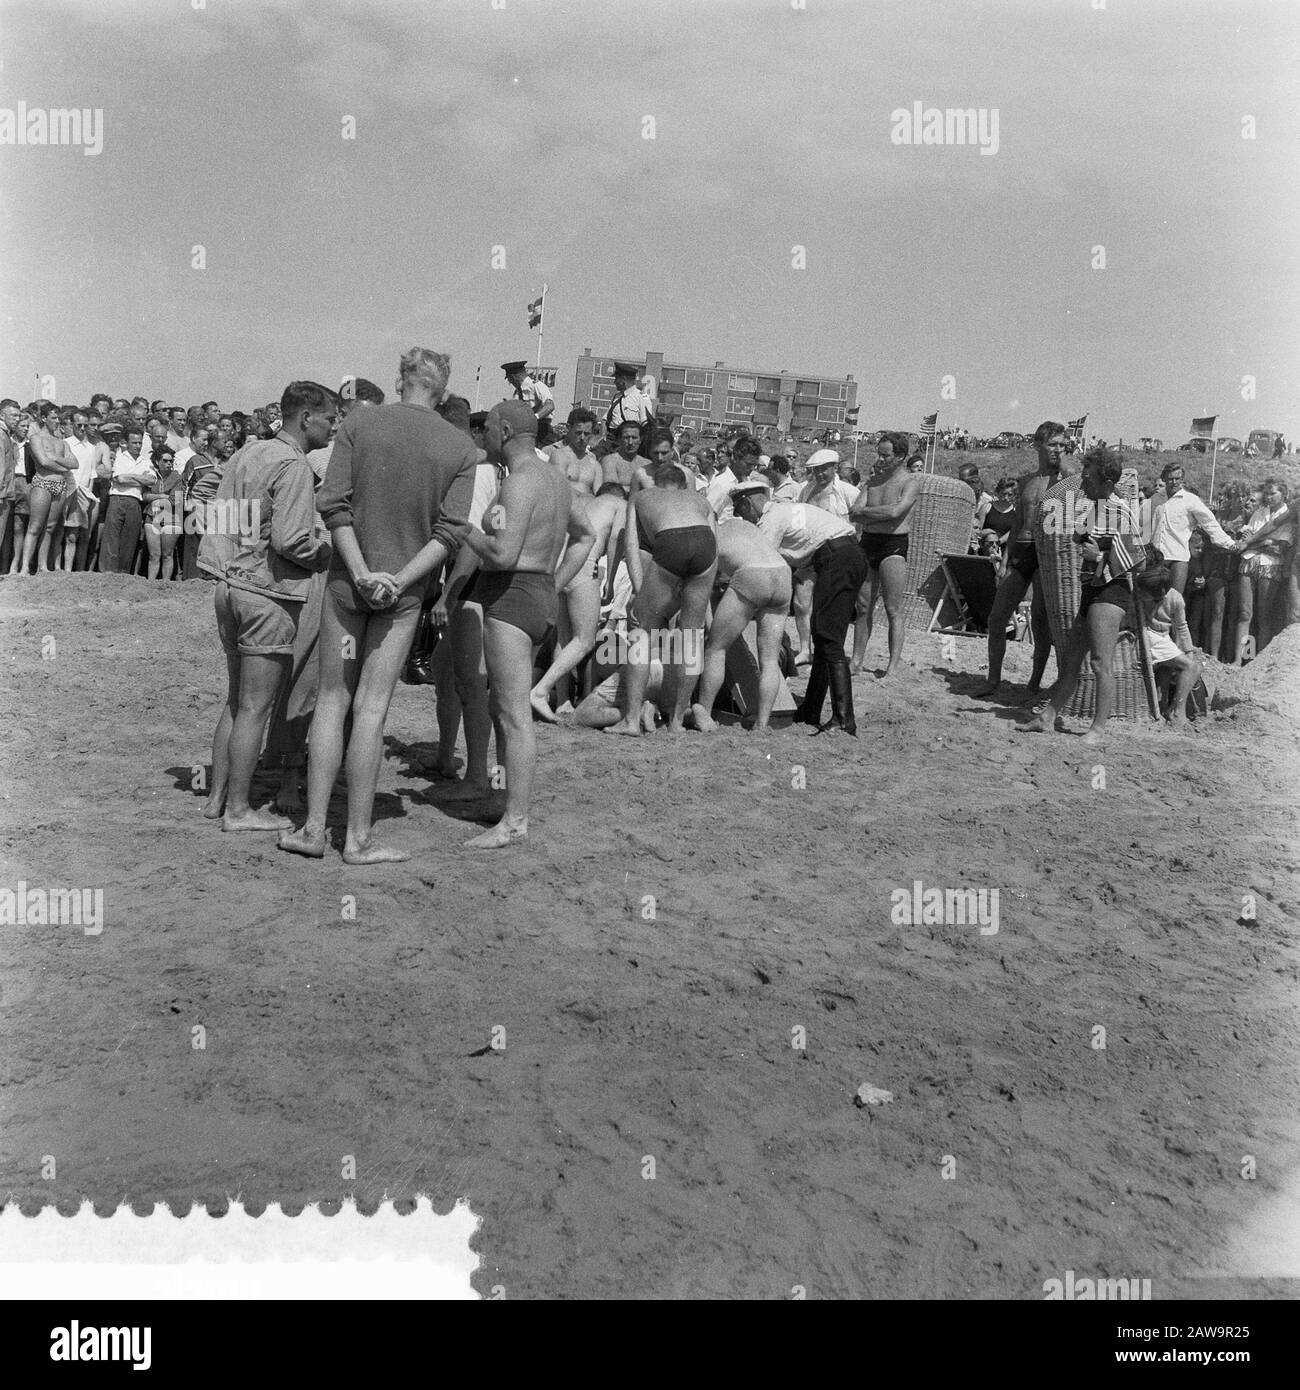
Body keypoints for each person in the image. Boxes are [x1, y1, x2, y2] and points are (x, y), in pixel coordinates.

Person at [279, 348, 477, 863]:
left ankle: (313, 829)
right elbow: (451, 534)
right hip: (402, 595)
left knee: (330, 701)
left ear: (401, 380)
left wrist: (363, 572)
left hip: (348, 582)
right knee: (371, 710)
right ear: (443, 389)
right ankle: (359, 839)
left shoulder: (359, 425)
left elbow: (333, 505)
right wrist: (398, 579)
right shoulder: (459, 447)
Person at [454, 399, 595, 846]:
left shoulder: (520, 483)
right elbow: (586, 536)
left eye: (490, 427)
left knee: (514, 714)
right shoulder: (555, 479)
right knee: (506, 707)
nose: (485, 435)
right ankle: (505, 801)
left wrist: (462, 528)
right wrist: (554, 582)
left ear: (507, 430)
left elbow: (501, 554)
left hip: (513, 593)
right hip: (535, 594)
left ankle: (515, 820)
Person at [198, 381, 337, 832]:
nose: (333, 427)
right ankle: (239, 811)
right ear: (306, 418)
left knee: (237, 702)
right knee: (256, 707)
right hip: (267, 594)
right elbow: (291, 540)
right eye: (329, 418)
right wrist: (329, 552)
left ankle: (218, 799)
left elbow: (214, 511)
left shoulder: (246, 453)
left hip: (229, 585)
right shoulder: (293, 466)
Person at [1019, 446, 1142, 745]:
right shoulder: (1095, 508)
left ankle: (1098, 729)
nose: (1084, 483)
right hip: (1092, 588)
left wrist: (1099, 556)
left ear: (1108, 484)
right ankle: (1048, 718)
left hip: (1110, 590)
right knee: (1072, 661)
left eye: (1089, 479)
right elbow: (1078, 538)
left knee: (1101, 661)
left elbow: (1138, 558)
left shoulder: (1120, 510)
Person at [736, 487, 865, 734]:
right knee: (823, 635)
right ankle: (812, 709)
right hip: (843, 555)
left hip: (837, 559)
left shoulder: (770, 520)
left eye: (743, 514)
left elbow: (761, 563)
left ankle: (844, 717)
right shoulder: (785, 511)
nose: (746, 521)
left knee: (829, 638)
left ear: (747, 505)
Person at [608, 463, 717, 736]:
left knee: (641, 631)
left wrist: (638, 591)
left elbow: (631, 545)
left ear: (657, 482)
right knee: (691, 635)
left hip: (671, 541)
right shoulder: (700, 500)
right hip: (705, 546)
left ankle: (631, 720)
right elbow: (715, 543)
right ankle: (677, 720)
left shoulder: (641, 498)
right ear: (683, 485)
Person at [973, 421, 1069, 698]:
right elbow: (1016, 524)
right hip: (1021, 551)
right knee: (997, 617)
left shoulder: (1065, 480)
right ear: (1038, 445)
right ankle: (993, 679)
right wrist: (1004, 561)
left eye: (1063, 445)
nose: (1058, 450)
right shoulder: (1026, 481)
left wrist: (1063, 465)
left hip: (1048, 551)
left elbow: (1077, 488)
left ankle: (1033, 682)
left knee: (1040, 621)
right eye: (1053, 444)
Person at [690, 503, 792, 733]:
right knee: (769, 659)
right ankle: (762, 723)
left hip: (753, 575)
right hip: (782, 574)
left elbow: (703, 590)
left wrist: (709, 629)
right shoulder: (742, 525)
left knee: (716, 649)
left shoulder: (709, 537)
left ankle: (704, 713)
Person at [530, 483, 626, 720]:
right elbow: (616, 540)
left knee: (563, 638)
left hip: (561, 564)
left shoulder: (584, 501)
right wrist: (611, 581)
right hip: (584, 564)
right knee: (584, 640)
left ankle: (562, 702)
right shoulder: (620, 505)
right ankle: (540, 691)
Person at [850, 431, 920, 677]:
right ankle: (856, 661)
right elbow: (854, 512)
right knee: (862, 606)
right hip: (869, 541)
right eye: (879, 454)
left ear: (900, 456)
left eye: (885, 455)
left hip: (894, 545)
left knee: (892, 608)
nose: (880, 460)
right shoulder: (873, 482)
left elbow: (896, 512)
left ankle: (892, 666)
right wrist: (877, 512)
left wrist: (868, 512)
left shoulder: (910, 481)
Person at [1232, 478, 1293, 663]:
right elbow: (1246, 539)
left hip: (1270, 565)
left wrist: (1255, 542)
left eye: (1273, 493)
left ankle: (1256, 662)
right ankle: (1242, 658)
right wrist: (1265, 541)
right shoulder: (1259, 512)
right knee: (1245, 614)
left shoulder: (1288, 515)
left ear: (1283, 494)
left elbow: (1280, 548)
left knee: (1263, 616)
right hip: (1249, 562)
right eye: (1266, 493)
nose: (1268, 496)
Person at [1133, 564, 1200, 730]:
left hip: (1163, 638)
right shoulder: (1139, 594)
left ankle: (1169, 708)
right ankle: (1177, 712)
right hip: (1147, 635)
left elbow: (1181, 626)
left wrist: (1188, 650)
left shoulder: (1174, 598)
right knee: (1191, 667)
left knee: (1190, 667)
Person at [1151, 462, 1234, 594]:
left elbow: (1209, 523)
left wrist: (1230, 544)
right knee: (1153, 602)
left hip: (1178, 559)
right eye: (1170, 478)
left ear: (1182, 480)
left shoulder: (1191, 500)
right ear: (1164, 478)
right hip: (1156, 559)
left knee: (1175, 602)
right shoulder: (1155, 499)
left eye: (1177, 479)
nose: (1173, 482)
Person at [21, 402, 76, 573]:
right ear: (43, 418)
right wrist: (62, 466)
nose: (57, 422)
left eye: (59, 418)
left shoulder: (62, 442)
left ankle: (42, 566)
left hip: (60, 485)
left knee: (50, 527)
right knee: (35, 526)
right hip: (43, 483)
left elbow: (75, 463)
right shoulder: (36, 438)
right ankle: (24, 568)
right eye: (53, 418)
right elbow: (42, 461)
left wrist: (56, 459)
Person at [98, 424, 156, 573]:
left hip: (135, 501)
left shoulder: (145, 461)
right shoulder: (120, 457)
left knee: (129, 539)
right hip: (117, 498)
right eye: (134, 443)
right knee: (112, 537)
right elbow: (120, 479)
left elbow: (151, 480)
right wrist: (140, 478)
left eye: (139, 443)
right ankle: (107, 571)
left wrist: (132, 476)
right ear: (126, 442)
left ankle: (123, 573)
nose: (137, 446)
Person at [141, 445, 184, 579]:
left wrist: (155, 498)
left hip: (171, 518)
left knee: (167, 554)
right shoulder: (151, 476)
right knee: (154, 555)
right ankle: (151, 584)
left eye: (170, 461)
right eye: (165, 461)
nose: (168, 464)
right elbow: (144, 496)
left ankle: (165, 584)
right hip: (152, 517)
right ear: (157, 461)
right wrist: (161, 496)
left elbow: (174, 500)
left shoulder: (177, 477)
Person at [548, 407, 603, 495]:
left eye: (586, 434)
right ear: (570, 430)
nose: (582, 438)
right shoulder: (559, 456)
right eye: (578, 433)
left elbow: (599, 494)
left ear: (592, 433)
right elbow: (559, 488)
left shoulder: (595, 464)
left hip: (588, 506)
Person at [604, 360, 654, 454]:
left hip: (629, 442)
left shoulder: (642, 397)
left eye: (616, 379)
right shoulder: (616, 397)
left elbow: (646, 425)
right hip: (611, 440)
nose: (614, 382)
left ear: (623, 379)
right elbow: (605, 419)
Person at [0, 399, 21, 572]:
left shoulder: (6, 435)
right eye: (13, 415)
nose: (17, 419)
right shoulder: (1, 435)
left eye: (18, 416)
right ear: (2, 415)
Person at [502, 360, 555, 425]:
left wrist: (534, 417)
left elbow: (550, 406)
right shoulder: (517, 393)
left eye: (509, 379)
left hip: (542, 428)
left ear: (514, 377)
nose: (510, 382)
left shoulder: (536, 386)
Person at [601, 419, 643, 495]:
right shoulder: (610, 461)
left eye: (634, 438)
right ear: (619, 439)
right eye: (626, 438)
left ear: (640, 439)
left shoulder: (647, 464)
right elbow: (612, 492)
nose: (630, 442)